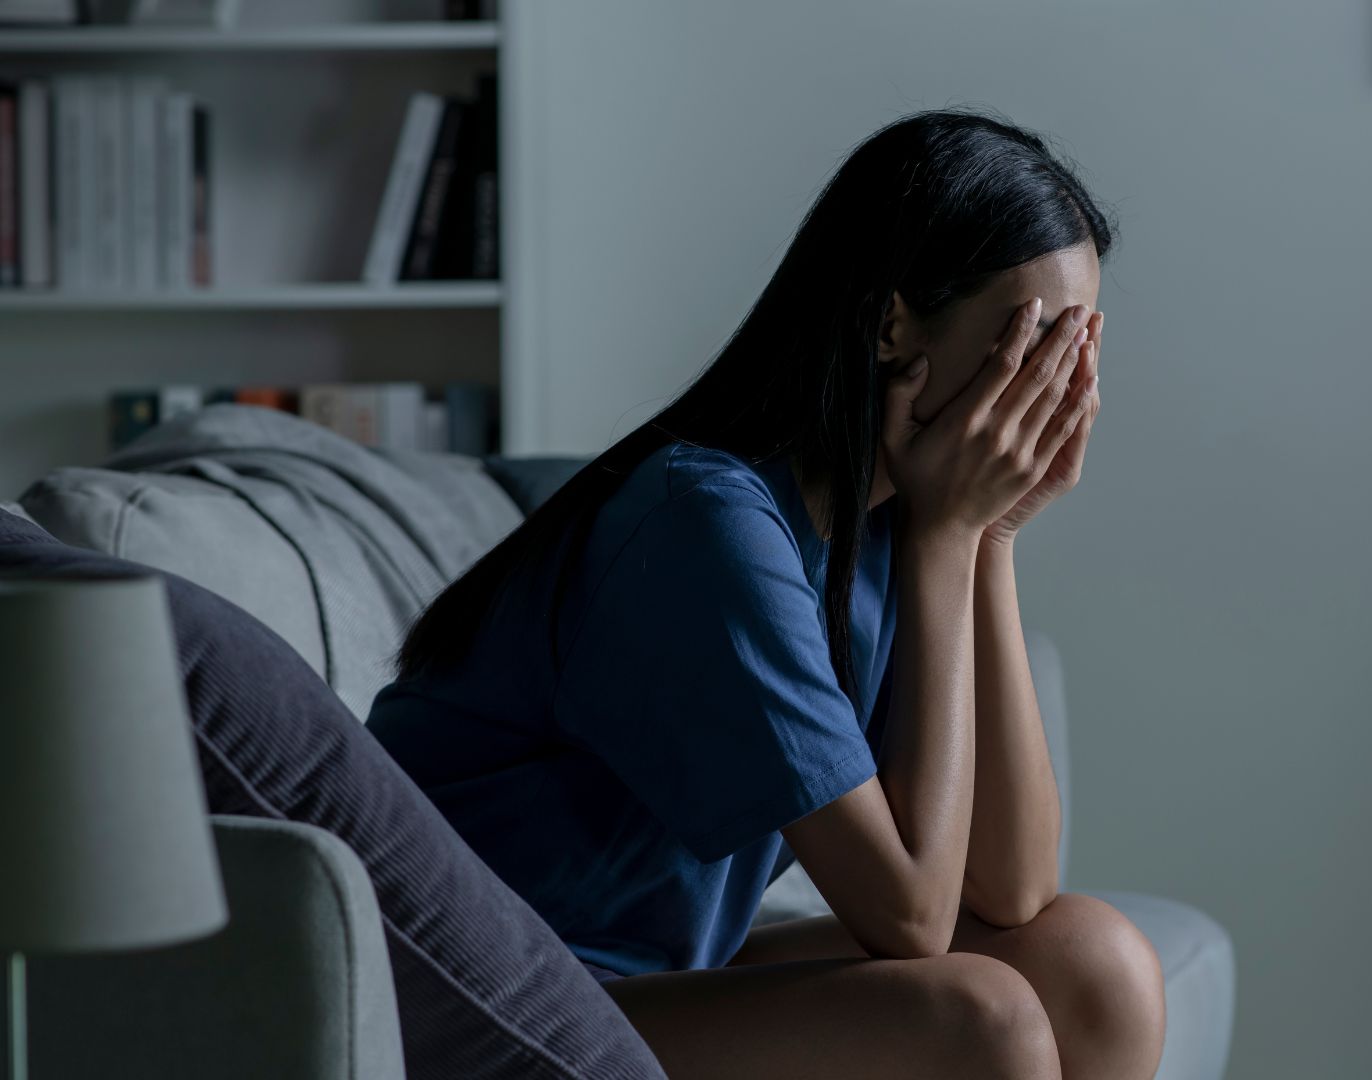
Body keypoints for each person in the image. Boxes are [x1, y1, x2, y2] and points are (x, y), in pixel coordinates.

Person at [367, 108, 1165, 1080]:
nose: (1048, 390)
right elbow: (911, 918)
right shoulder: (706, 520)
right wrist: (952, 538)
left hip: (647, 977)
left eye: (1071, 352)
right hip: (483, 1000)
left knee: (1097, 966)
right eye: (1027, 343)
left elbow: (1013, 888)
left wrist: (991, 534)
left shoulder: (891, 523)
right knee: (981, 1020)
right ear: (892, 325)